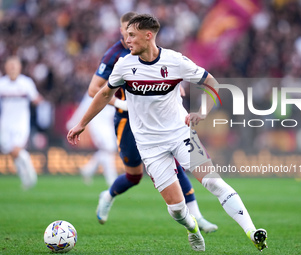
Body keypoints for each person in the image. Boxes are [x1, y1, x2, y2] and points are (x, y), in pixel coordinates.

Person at [67, 14, 267, 252]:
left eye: (131, 35)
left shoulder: (175, 61)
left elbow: (212, 83)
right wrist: (82, 123)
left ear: (147, 35)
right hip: (150, 146)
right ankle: (192, 227)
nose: (126, 40)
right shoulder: (123, 65)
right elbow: (102, 93)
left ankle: (252, 231)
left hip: (181, 135)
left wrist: (202, 111)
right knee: (177, 209)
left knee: (215, 183)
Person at [87, 12, 218, 233]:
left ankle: (197, 217)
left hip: (158, 122)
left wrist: (176, 87)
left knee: (176, 164)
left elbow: (165, 72)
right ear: (121, 30)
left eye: (132, 31)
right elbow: (94, 90)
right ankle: (108, 195)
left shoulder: (148, 49)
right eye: (125, 30)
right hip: (128, 121)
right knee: (134, 176)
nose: (128, 36)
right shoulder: (114, 56)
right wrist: (122, 105)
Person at [0, 56, 43, 190]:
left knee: (16, 150)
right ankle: (26, 179)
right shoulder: (2, 84)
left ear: (19, 67)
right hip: (5, 124)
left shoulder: (26, 83)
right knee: (10, 152)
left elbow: (37, 98)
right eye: (10, 65)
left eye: (15, 65)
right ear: (6, 67)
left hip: (20, 123)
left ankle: (31, 177)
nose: (12, 68)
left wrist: (39, 102)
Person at [66, 92, 118, 186]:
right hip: (97, 125)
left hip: (108, 126)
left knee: (107, 150)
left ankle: (88, 170)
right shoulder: (94, 91)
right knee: (108, 149)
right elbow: (83, 108)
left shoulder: (113, 88)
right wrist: (73, 123)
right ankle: (112, 180)